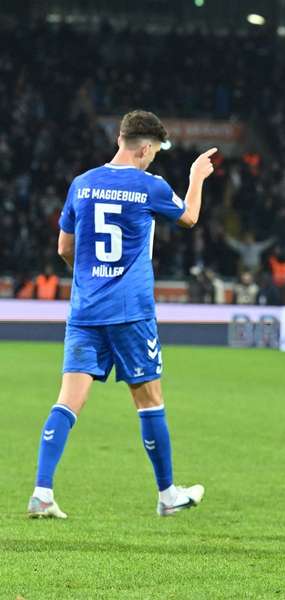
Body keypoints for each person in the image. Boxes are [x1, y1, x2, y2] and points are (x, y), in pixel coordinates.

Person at [27, 110, 216, 519]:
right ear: (145, 148)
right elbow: (189, 217)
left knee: (67, 402)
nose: (152, 159)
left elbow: (63, 248)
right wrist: (197, 176)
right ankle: (167, 495)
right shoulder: (150, 185)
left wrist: (92, 279)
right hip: (130, 312)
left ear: (120, 139)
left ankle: (42, 492)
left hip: (85, 311)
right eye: (153, 153)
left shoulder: (82, 184)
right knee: (149, 401)